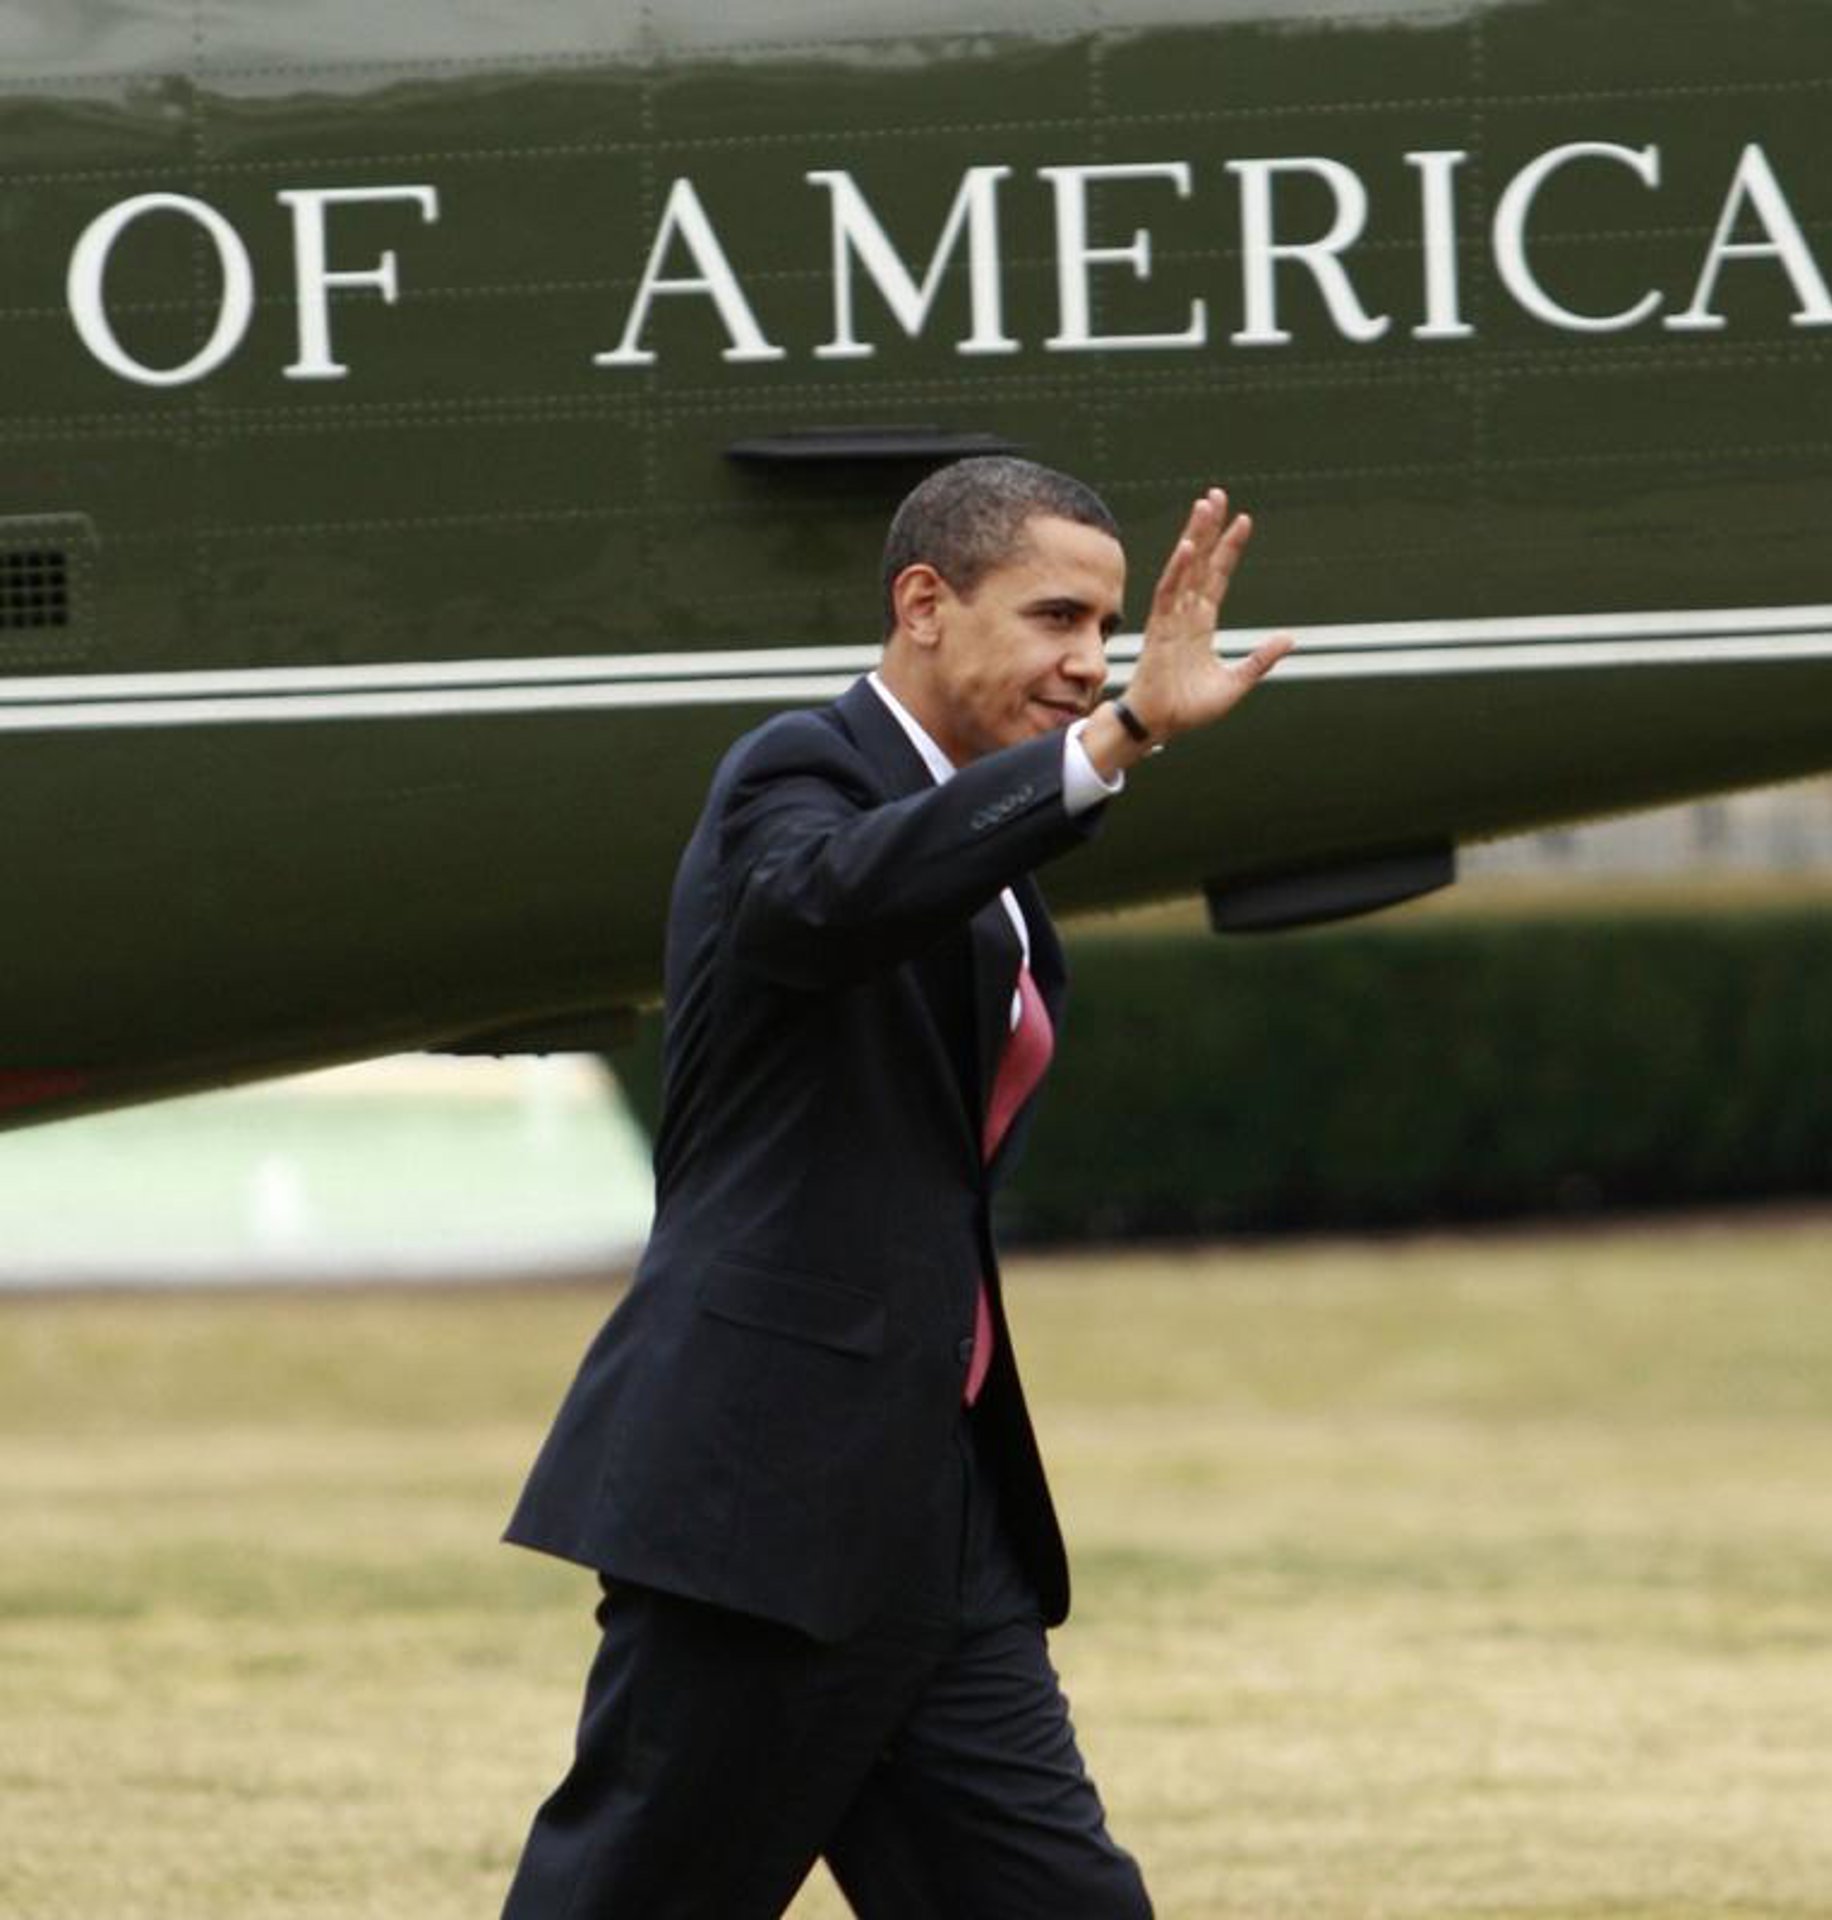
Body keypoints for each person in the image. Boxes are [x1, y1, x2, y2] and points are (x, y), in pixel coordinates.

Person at [499, 457, 1290, 1918]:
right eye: (1055, 617)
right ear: (924, 603)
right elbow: (833, 901)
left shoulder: (995, 841)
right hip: (768, 1491)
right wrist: (1114, 741)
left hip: (939, 1497)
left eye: (1107, 630)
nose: (1088, 660)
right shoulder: (797, 774)